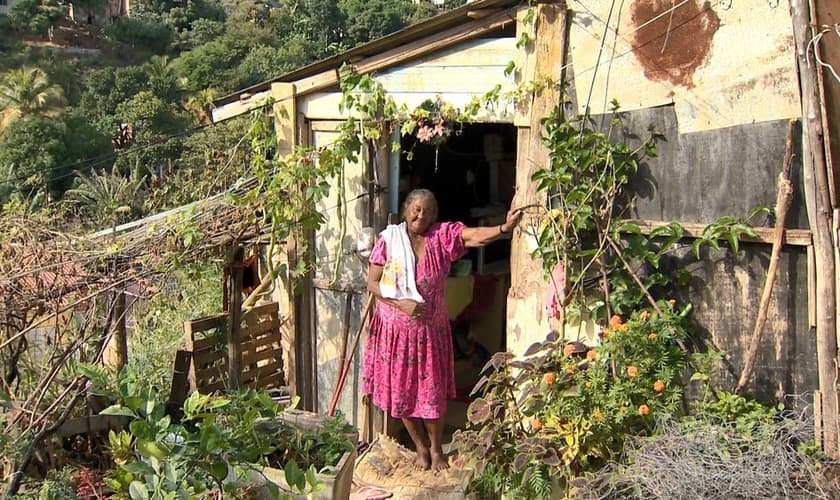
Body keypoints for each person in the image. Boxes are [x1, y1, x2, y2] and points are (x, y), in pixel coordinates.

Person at [362, 188, 523, 472]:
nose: (420, 215)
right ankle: (421, 449)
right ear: (406, 210)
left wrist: (503, 228)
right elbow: (373, 284)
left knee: (431, 395)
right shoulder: (389, 241)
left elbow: (471, 236)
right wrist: (401, 305)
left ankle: (436, 450)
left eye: (426, 211)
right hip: (395, 335)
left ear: (434, 216)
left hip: (430, 335)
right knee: (401, 396)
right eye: (415, 208)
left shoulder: (440, 238)